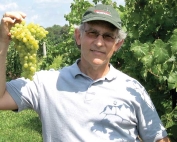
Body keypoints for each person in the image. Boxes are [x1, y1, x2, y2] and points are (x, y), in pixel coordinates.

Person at [0, 4, 170, 142]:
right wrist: (2, 42)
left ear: (117, 45)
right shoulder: (45, 83)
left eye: (108, 36)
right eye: (92, 33)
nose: (99, 42)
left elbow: (158, 138)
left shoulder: (133, 89)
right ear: (78, 36)